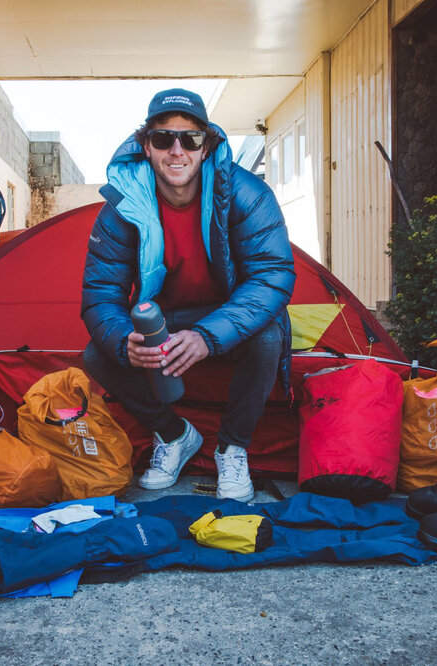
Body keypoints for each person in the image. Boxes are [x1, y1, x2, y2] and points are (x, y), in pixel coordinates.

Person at [81, 88, 295, 502]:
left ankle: (232, 449)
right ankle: (175, 435)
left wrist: (207, 336)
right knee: (97, 353)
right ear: (146, 146)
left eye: (190, 139)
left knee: (269, 333)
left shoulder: (246, 195)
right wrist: (124, 340)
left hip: (226, 314)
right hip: (164, 319)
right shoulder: (121, 209)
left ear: (206, 146)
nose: (176, 150)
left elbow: (271, 276)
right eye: (163, 138)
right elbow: (100, 294)